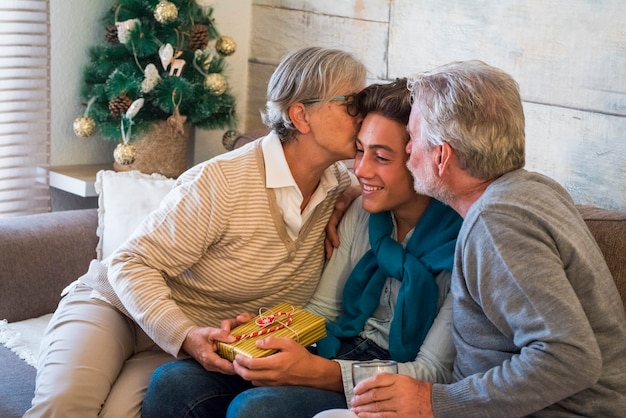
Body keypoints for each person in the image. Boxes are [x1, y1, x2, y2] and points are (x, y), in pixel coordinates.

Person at [24, 46, 367, 418]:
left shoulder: (337, 187)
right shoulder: (222, 181)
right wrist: (185, 334)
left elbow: (368, 186)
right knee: (64, 407)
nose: (364, 115)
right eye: (352, 102)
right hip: (116, 309)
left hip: (184, 343)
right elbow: (130, 263)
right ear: (301, 115)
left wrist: (353, 195)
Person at [142, 78, 463, 418]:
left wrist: (318, 373)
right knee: (173, 381)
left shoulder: (465, 242)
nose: (361, 170)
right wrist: (265, 334)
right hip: (337, 345)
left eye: (381, 157)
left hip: (394, 378)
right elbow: (322, 312)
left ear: (425, 158)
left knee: (256, 411)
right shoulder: (362, 211)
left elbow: (434, 372)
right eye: (359, 150)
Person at [341, 60, 626, 417]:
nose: (409, 151)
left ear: (442, 156)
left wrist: (434, 402)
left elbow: (570, 357)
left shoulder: (495, 223)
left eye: (413, 139)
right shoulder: (533, 191)